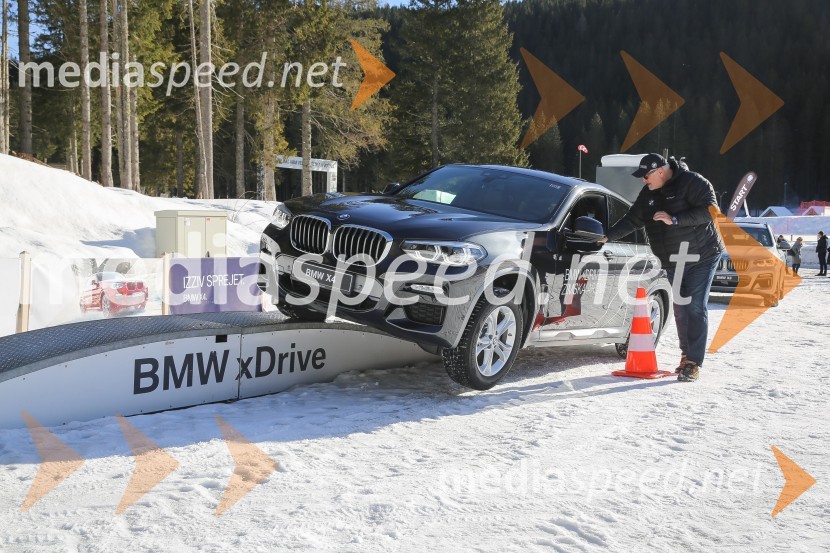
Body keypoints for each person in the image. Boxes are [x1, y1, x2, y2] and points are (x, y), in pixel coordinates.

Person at [598, 153, 723, 382]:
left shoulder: (694, 182)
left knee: (694, 305)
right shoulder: (648, 195)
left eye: (646, 176)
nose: (644, 181)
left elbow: (711, 213)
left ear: (660, 171)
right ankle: (686, 355)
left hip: (703, 255)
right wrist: (606, 236)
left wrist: (674, 219)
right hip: (673, 259)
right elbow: (632, 220)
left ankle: (694, 363)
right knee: (680, 307)